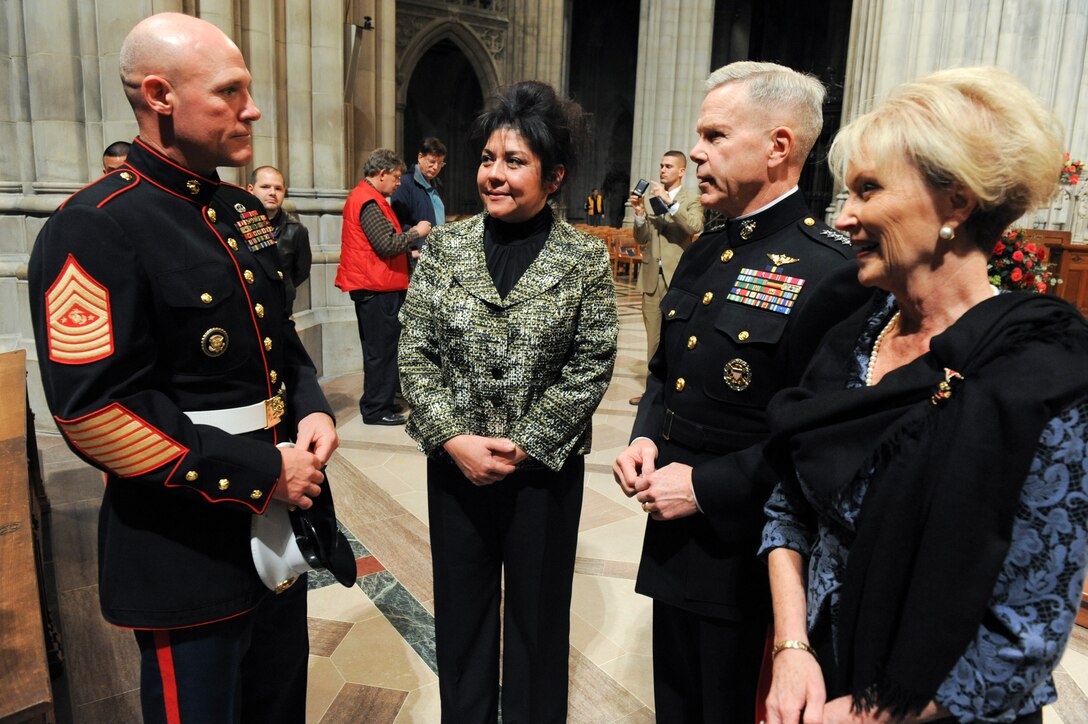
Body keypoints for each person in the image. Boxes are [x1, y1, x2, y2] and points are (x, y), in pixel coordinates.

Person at [28, 12, 340, 723]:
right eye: (230, 91)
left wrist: (313, 405)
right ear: (161, 95)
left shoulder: (237, 211)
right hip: (185, 541)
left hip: (280, 521)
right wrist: (264, 473)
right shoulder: (94, 225)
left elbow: (278, 338)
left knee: (278, 703)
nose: (252, 109)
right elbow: (96, 413)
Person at [761, 66, 1088, 724]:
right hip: (822, 666)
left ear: (957, 204)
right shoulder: (852, 339)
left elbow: (1027, 631)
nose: (844, 216)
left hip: (937, 705)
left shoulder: (1043, 377)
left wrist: (868, 716)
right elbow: (789, 506)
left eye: (869, 190)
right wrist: (792, 647)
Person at [611, 61, 869, 723]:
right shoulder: (705, 249)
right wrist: (644, 434)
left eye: (717, 135)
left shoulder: (831, 272)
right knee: (678, 702)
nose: (696, 150)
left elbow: (819, 438)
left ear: (778, 147)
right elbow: (668, 372)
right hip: (673, 535)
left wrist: (705, 487)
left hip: (753, 552)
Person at [399, 80, 618, 722]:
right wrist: (453, 438)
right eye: (489, 158)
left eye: (514, 161)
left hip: (542, 476)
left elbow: (590, 363)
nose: (494, 174)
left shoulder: (583, 259)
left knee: (537, 619)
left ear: (554, 177)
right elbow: (415, 354)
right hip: (457, 469)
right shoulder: (445, 248)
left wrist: (529, 444)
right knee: (463, 617)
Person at [336, 149, 430, 426]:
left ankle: (380, 401)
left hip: (378, 285)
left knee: (381, 350)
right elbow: (386, 245)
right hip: (378, 289)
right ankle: (377, 410)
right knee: (382, 352)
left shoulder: (370, 198)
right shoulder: (368, 201)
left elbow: (378, 246)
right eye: (396, 177)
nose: (399, 183)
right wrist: (417, 233)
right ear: (381, 174)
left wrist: (409, 254)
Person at [628, 151, 703, 406]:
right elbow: (642, 238)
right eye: (661, 165)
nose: (663, 170)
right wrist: (639, 212)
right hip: (651, 279)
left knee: (676, 338)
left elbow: (693, 227)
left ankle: (673, 391)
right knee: (653, 339)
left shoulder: (692, 200)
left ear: (682, 171)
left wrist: (670, 204)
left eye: (668, 166)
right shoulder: (650, 201)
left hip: (678, 280)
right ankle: (653, 393)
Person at [248, 165, 312, 313]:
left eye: (278, 189)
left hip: (279, 308)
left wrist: (283, 288)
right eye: (265, 187)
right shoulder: (236, 224)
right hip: (245, 307)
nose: (272, 193)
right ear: (251, 189)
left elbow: (301, 271)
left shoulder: (296, 230)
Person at [392, 136, 447, 265]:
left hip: (436, 255)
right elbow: (397, 222)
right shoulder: (405, 183)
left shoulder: (437, 183)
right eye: (432, 162)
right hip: (416, 256)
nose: (436, 167)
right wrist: (414, 247)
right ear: (420, 157)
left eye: (440, 163)